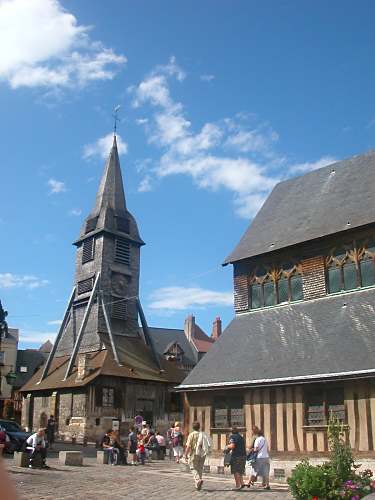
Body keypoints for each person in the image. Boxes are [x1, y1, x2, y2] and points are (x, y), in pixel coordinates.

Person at [184, 421, 211, 491]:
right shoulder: (203, 434)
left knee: (193, 467)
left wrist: (185, 454)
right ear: (199, 427)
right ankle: (198, 485)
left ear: (193, 427)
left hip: (194, 453)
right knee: (200, 468)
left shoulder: (191, 435)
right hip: (202, 453)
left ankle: (198, 479)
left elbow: (188, 446)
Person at [227, 426, 246, 490]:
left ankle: (238, 485)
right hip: (243, 455)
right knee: (240, 471)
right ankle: (242, 483)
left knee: (235, 471)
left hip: (236, 456)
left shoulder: (232, 436)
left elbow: (232, 446)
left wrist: (227, 446)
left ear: (231, 432)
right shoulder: (241, 437)